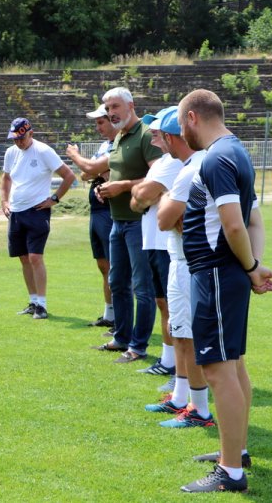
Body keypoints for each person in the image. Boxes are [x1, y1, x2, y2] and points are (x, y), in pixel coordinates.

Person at [177, 89, 272, 493]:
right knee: (233, 365)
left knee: (219, 371)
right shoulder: (237, 151)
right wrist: (252, 267)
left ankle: (231, 472)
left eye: (182, 124)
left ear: (192, 118)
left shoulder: (218, 157)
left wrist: (251, 267)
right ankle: (236, 450)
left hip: (216, 273)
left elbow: (235, 225)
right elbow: (255, 222)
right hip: (227, 273)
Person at [143, 106, 213, 429]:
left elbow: (164, 217)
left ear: (173, 136)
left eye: (160, 134)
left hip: (190, 262)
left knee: (191, 336)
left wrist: (167, 200)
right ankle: (181, 397)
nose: (159, 140)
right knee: (180, 331)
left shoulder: (191, 167)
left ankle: (199, 410)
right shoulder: (186, 165)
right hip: (179, 259)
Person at [91, 87, 163, 364]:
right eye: (108, 108)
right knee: (117, 282)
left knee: (141, 286)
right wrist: (106, 189)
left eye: (115, 106)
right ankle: (121, 337)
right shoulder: (119, 136)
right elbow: (117, 173)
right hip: (117, 221)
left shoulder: (145, 134)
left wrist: (122, 186)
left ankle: (138, 346)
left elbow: (157, 179)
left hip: (139, 222)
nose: (111, 112)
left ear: (131, 105)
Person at [1, 117, 75, 319]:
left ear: (30, 133)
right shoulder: (11, 152)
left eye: (21, 138)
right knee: (23, 257)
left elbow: (69, 175)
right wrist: (4, 201)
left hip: (37, 211)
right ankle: (33, 301)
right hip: (16, 212)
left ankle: (42, 304)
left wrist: (55, 198)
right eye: (15, 138)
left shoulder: (44, 151)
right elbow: (7, 177)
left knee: (35, 257)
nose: (18, 142)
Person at [130, 107, 183, 378]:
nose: (152, 139)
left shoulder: (174, 162)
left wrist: (145, 194)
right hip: (153, 241)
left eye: (156, 133)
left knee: (174, 308)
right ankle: (169, 361)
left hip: (166, 244)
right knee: (164, 304)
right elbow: (136, 199)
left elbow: (145, 194)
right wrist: (143, 194)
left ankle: (179, 368)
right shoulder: (162, 163)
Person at [66, 104, 115, 327]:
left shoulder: (119, 146)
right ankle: (109, 314)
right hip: (96, 211)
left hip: (110, 210)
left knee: (115, 266)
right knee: (102, 265)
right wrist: (95, 169)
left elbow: (90, 169)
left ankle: (120, 319)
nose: (98, 127)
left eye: (100, 122)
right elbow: (86, 173)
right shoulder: (104, 146)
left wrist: (86, 163)